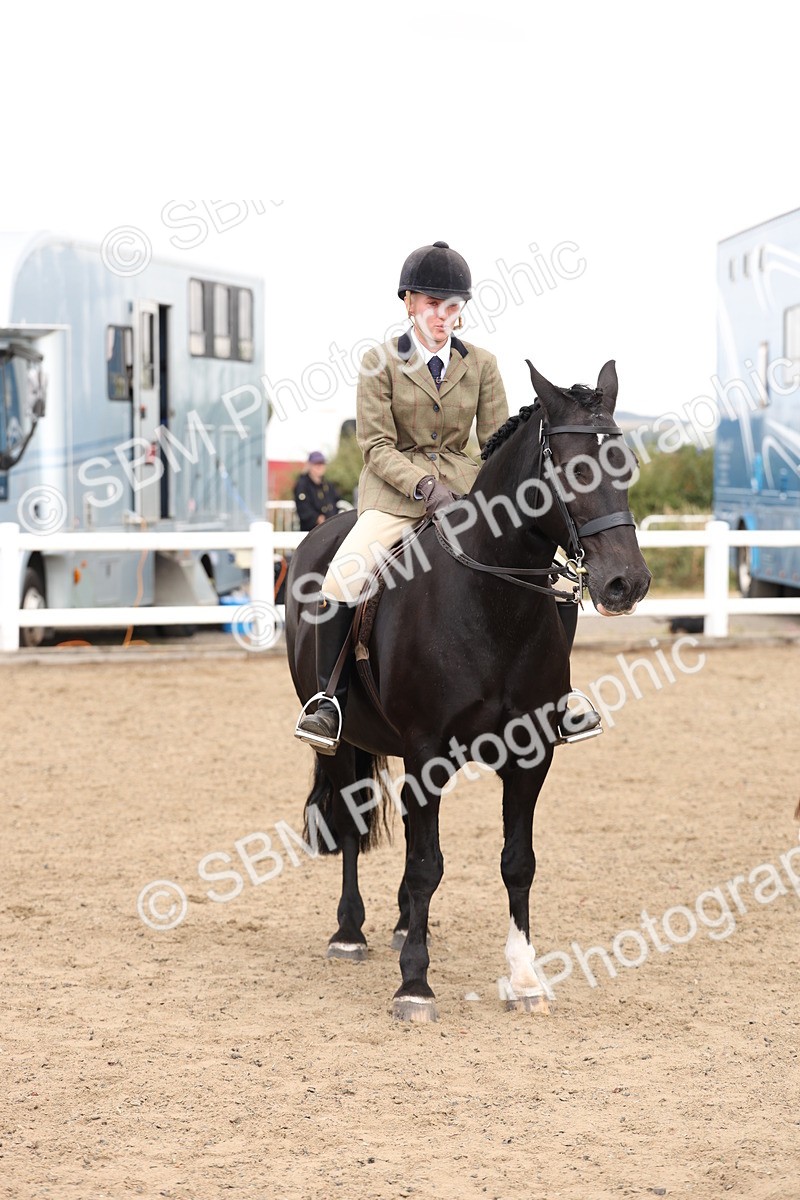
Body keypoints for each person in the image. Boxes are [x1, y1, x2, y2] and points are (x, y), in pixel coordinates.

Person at [294, 240, 600, 754]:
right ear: (409, 302)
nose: (443, 315)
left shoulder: (481, 364)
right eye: (433, 304)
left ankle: (559, 695)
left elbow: (496, 442)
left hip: (467, 494)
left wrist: (477, 489)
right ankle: (330, 701)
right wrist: (423, 485)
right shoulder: (379, 362)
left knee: (547, 574)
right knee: (344, 573)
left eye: (452, 306)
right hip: (396, 497)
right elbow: (376, 446)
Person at [293, 451, 341, 532]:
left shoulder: (328, 485)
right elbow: (303, 509)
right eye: (316, 464)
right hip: (311, 531)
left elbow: (336, 503)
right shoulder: (302, 485)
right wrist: (317, 519)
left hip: (331, 528)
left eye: (321, 463)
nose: (319, 467)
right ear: (309, 465)